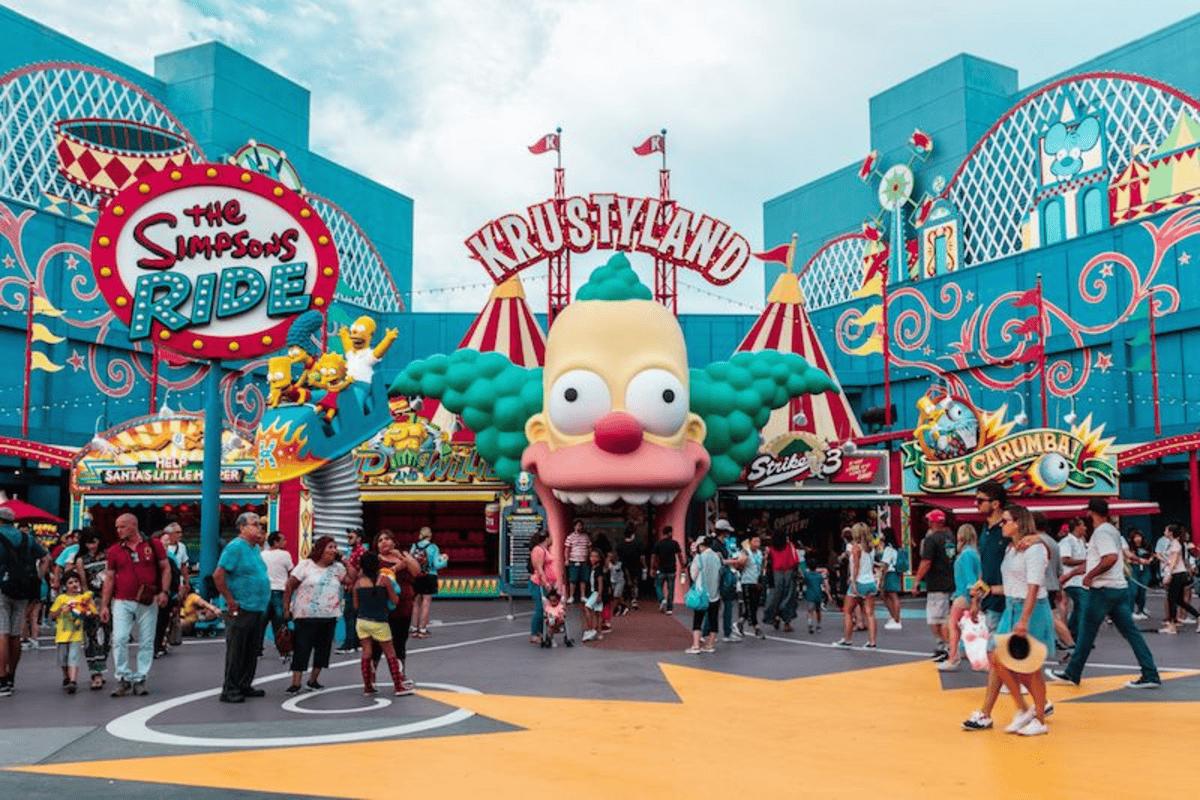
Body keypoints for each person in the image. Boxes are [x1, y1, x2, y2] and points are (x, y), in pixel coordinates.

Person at [961, 504, 1055, 736]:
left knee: (1030, 667)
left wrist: (1024, 619)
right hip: (1012, 607)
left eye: (1006, 521)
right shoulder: (1011, 549)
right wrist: (987, 591)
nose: (1002, 524)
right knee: (997, 658)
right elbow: (1013, 585)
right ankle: (1025, 709)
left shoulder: (1034, 549)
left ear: (1018, 522)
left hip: (1030, 609)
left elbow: (1033, 587)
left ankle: (1039, 718)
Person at [1048, 498, 1161, 689]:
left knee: (1086, 633)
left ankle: (1073, 673)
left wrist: (1089, 575)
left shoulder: (1101, 533)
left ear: (1091, 513)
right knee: (1130, 633)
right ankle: (1150, 673)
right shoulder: (1112, 532)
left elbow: (1110, 558)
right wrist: (1072, 575)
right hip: (1117, 589)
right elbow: (1099, 560)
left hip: (1102, 590)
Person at [100, 513, 170, 698]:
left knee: (147, 640)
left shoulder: (153, 545)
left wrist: (164, 591)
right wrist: (104, 605)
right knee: (119, 638)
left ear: (133, 525)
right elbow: (109, 578)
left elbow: (165, 568)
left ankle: (140, 678)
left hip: (148, 599)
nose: (118, 530)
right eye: (117, 527)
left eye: (122, 526)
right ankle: (123, 677)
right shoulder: (114, 550)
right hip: (122, 600)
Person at [212, 511, 271, 703]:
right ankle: (230, 689)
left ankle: (244, 684)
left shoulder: (254, 548)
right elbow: (218, 575)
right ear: (242, 527)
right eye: (255, 524)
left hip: (256, 607)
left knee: (251, 649)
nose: (259, 528)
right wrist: (230, 599)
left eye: (260, 524)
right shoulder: (235, 547)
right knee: (237, 650)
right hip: (241, 606)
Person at [283, 535, 346, 694]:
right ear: (320, 549)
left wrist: (345, 561)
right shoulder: (305, 565)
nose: (334, 550)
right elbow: (289, 586)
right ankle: (296, 683)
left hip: (329, 616)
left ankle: (313, 681)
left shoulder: (338, 568)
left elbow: (351, 580)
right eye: (330, 547)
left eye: (335, 547)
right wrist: (286, 608)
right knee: (302, 648)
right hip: (305, 616)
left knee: (323, 650)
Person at [0, 506, 49, 697]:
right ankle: (11, 676)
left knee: (2, 633)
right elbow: (46, 558)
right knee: (15, 634)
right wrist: (37, 578)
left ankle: (2, 679)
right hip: (22, 589)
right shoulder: (27, 538)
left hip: (2, 588)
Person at [353, 551, 411, 696]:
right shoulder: (384, 580)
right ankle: (398, 686)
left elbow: (355, 606)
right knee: (390, 653)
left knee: (367, 652)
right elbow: (395, 600)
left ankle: (368, 686)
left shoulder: (358, 583)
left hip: (362, 621)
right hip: (380, 622)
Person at [372, 530, 420, 682]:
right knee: (376, 645)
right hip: (383, 607)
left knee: (400, 643)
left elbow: (416, 571)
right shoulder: (375, 559)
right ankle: (371, 678)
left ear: (394, 541)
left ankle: (400, 677)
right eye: (380, 540)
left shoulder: (403, 555)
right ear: (377, 545)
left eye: (387, 538)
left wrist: (401, 557)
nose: (384, 542)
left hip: (404, 606)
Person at [912, 510, 955, 660]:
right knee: (945, 618)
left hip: (936, 583)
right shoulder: (950, 538)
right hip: (949, 581)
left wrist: (917, 581)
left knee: (936, 619)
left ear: (932, 522)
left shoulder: (931, 539)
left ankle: (944, 647)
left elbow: (926, 561)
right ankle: (947, 646)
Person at [939, 524, 982, 672]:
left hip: (963, 594)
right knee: (964, 626)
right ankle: (961, 653)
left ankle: (953, 657)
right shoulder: (974, 553)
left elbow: (970, 579)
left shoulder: (966, 555)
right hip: (968, 594)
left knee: (952, 625)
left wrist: (973, 598)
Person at [73, 529, 111, 689]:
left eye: (94, 542)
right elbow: (83, 584)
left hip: (108, 599)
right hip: (91, 600)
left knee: (107, 636)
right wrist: (88, 602)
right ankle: (96, 673)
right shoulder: (81, 560)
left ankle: (101, 667)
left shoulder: (107, 556)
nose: (92, 546)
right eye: (88, 543)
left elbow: (111, 578)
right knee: (92, 637)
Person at [1033, 513, 1073, 655]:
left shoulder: (1035, 542)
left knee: (1050, 616)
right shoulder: (1053, 542)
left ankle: (1069, 643)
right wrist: (1059, 587)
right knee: (1048, 615)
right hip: (1052, 583)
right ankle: (1054, 640)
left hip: (1040, 584)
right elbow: (1059, 569)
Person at [49, 572, 96, 694]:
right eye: (70, 583)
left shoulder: (82, 598)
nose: (74, 584)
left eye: (76, 581)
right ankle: (66, 677)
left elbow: (92, 611)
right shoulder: (61, 598)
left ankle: (73, 681)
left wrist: (88, 609)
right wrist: (61, 610)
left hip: (76, 634)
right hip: (62, 635)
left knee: (73, 657)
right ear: (65, 586)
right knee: (63, 659)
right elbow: (52, 614)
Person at [834, 523, 878, 648]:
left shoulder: (856, 548)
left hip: (859, 582)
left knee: (847, 611)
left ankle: (847, 639)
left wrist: (853, 582)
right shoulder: (871, 548)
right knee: (870, 614)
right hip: (870, 582)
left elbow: (856, 567)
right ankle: (872, 642)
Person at [974, 482, 1008, 631]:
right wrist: (976, 600)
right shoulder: (985, 528)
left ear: (995, 504)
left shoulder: (1009, 528)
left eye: (980, 500)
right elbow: (984, 564)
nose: (976, 504)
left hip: (1007, 600)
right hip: (989, 599)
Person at [1156, 523, 1199, 635]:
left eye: (1166, 530)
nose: (1164, 531)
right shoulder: (1173, 543)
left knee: (1172, 600)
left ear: (1170, 532)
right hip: (1179, 574)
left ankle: (1172, 626)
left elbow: (1174, 562)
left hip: (1177, 574)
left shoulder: (1175, 544)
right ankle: (1198, 616)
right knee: (1179, 600)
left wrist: (1168, 574)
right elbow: (1171, 560)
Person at [259, 532, 294, 657]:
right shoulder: (285, 554)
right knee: (280, 622)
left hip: (265, 591)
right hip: (280, 591)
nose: (285, 542)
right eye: (283, 540)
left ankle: (257, 649)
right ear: (275, 542)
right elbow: (291, 572)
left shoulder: (262, 554)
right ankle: (283, 650)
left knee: (261, 622)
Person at [409, 527, 448, 639]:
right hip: (429, 576)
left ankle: (414, 629)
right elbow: (436, 565)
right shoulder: (433, 547)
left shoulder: (414, 546)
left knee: (416, 603)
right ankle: (422, 630)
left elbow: (410, 561)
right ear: (430, 535)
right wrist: (444, 559)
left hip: (416, 576)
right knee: (426, 603)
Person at [686, 537, 721, 655]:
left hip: (701, 593)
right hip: (715, 593)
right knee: (713, 619)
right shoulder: (717, 557)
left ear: (701, 546)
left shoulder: (699, 557)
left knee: (698, 619)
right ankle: (710, 645)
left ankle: (696, 646)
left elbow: (693, 576)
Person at [762, 530, 800, 632]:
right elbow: (796, 560)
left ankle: (775, 617)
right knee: (788, 598)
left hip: (776, 575)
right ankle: (787, 623)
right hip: (788, 573)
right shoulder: (789, 546)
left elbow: (767, 564)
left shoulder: (771, 549)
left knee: (775, 598)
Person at [336, 528, 365, 654]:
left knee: (349, 615)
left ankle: (349, 644)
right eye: (348, 537)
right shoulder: (353, 551)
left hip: (354, 588)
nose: (348, 539)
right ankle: (356, 643)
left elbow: (360, 570)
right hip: (351, 586)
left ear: (359, 539)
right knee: (354, 615)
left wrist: (355, 584)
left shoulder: (360, 551)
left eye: (351, 537)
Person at [1059, 517, 1088, 640]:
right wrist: (1084, 561)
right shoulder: (1067, 542)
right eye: (1083, 525)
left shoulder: (1081, 541)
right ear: (1076, 527)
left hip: (1081, 580)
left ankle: (1072, 631)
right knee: (1084, 605)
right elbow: (1065, 560)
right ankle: (1081, 635)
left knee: (1079, 606)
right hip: (1071, 580)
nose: (1085, 528)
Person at [528, 530, 555, 644]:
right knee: (540, 608)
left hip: (545, 583)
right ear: (547, 538)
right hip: (538, 584)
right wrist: (546, 583)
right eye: (551, 537)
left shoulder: (545, 549)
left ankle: (540, 632)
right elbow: (539, 568)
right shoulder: (538, 550)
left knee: (545, 609)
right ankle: (534, 634)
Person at [651, 526, 684, 614]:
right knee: (671, 589)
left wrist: (652, 568)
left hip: (661, 569)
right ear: (669, 533)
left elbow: (653, 557)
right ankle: (669, 609)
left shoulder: (658, 544)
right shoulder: (674, 543)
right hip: (671, 570)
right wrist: (683, 566)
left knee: (658, 585)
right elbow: (679, 555)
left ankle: (662, 599)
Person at [737, 534, 764, 638]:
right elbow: (739, 566)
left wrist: (760, 579)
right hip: (747, 581)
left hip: (757, 582)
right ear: (750, 542)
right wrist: (742, 562)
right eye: (755, 541)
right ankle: (756, 628)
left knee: (754, 606)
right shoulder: (745, 552)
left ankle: (740, 623)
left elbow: (761, 566)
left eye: (759, 541)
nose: (757, 544)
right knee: (750, 605)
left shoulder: (760, 553)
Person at [1124, 529, 1153, 621]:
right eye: (1135, 537)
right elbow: (1127, 558)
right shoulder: (1129, 547)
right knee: (1133, 591)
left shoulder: (1147, 545)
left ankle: (1141, 610)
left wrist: (1150, 560)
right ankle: (1130, 611)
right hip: (1134, 569)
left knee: (1142, 591)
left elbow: (1152, 555)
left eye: (1139, 536)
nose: (1137, 539)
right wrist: (1136, 561)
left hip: (1145, 569)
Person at [878, 530, 902, 630]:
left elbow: (885, 564)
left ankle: (896, 619)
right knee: (888, 595)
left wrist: (881, 578)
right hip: (894, 572)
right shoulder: (895, 548)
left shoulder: (888, 549)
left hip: (890, 573)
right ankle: (894, 617)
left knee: (891, 595)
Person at [616, 525, 644, 612]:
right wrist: (645, 566)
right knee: (635, 583)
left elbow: (618, 557)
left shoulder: (620, 545)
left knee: (626, 583)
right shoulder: (638, 543)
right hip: (636, 566)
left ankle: (625, 599)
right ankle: (634, 600)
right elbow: (642, 557)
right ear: (632, 534)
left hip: (624, 567)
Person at [564, 521, 591, 605]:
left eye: (581, 525)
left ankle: (583, 596)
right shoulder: (570, 537)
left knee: (584, 579)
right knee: (573, 579)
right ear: (574, 526)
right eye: (578, 525)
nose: (580, 527)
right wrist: (566, 560)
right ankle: (571, 596)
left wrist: (589, 558)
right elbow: (567, 549)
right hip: (574, 560)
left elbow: (589, 547)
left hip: (584, 560)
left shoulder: (586, 536)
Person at [801, 563, 828, 634]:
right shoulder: (819, 576)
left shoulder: (807, 575)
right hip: (818, 595)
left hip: (810, 595)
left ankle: (810, 624)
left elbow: (803, 579)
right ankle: (818, 625)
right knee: (818, 611)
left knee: (810, 611)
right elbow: (823, 584)